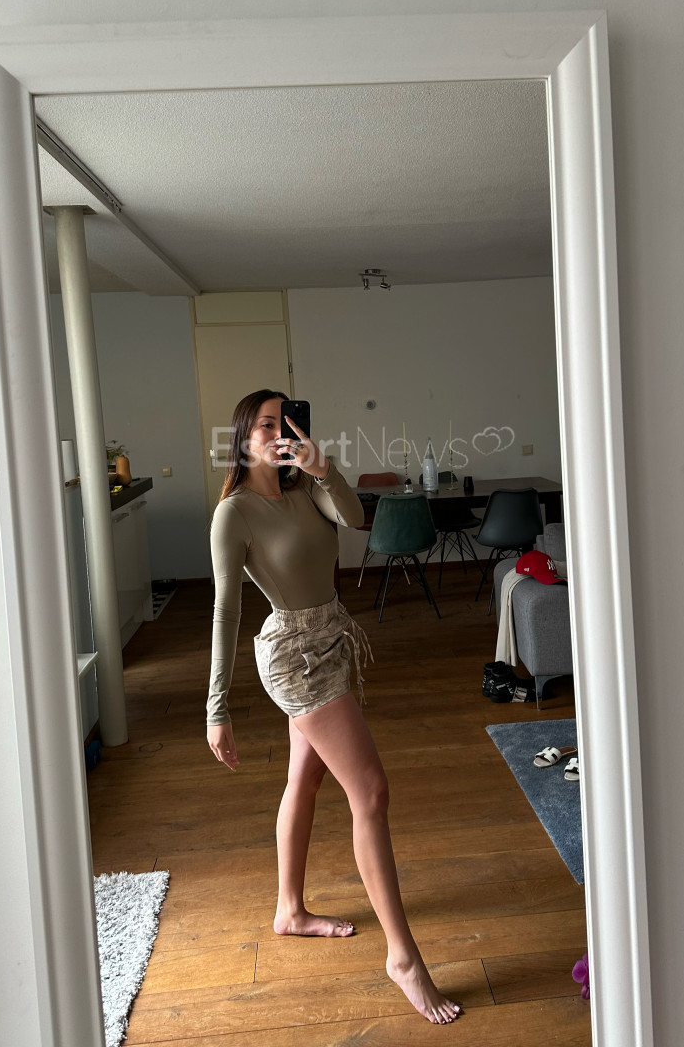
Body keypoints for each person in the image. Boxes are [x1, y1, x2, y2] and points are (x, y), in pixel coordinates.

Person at [206, 389, 463, 1025]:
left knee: (306, 776)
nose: (279, 435)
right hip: (294, 656)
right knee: (370, 791)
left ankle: (289, 910)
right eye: (265, 426)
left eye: (287, 424)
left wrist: (324, 468)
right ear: (242, 438)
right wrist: (217, 706)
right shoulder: (234, 513)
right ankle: (403, 958)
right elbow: (225, 611)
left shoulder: (306, 488)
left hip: (334, 638)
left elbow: (354, 518)